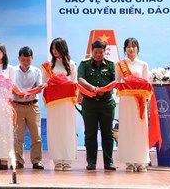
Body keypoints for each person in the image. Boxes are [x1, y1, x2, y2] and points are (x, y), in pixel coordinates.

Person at [78, 39, 116, 171]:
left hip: (107, 103)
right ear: (92, 51)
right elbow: (80, 79)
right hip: (89, 103)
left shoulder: (111, 64)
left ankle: (109, 162)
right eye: (96, 52)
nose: (98, 55)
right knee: (90, 133)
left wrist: (104, 89)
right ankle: (91, 162)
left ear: (105, 52)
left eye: (101, 52)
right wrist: (93, 88)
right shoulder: (84, 64)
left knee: (108, 134)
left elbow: (115, 80)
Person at [42, 37, 78, 171]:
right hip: (53, 104)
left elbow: (75, 83)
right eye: (52, 49)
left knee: (67, 129)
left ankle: (67, 160)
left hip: (67, 104)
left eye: (56, 48)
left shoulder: (71, 64)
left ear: (63, 48)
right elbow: (44, 83)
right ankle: (57, 160)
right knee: (55, 129)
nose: (54, 51)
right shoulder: (48, 66)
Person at [115, 37, 150, 172]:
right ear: (125, 49)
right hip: (126, 102)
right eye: (128, 46)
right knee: (127, 129)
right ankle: (129, 162)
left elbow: (147, 84)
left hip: (140, 102)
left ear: (137, 48)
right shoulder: (120, 64)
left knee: (140, 130)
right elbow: (117, 82)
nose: (131, 49)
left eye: (133, 46)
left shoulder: (143, 65)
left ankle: (141, 161)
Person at [11, 46, 43, 170]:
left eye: (28, 60)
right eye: (23, 60)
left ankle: (36, 161)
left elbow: (39, 87)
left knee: (36, 135)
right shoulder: (12, 71)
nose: (25, 63)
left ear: (32, 58)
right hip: (17, 106)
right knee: (18, 136)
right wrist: (17, 93)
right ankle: (18, 161)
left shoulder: (37, 71)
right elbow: (10, 86)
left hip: (32, 106)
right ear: (19, 58)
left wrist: (29, 93)